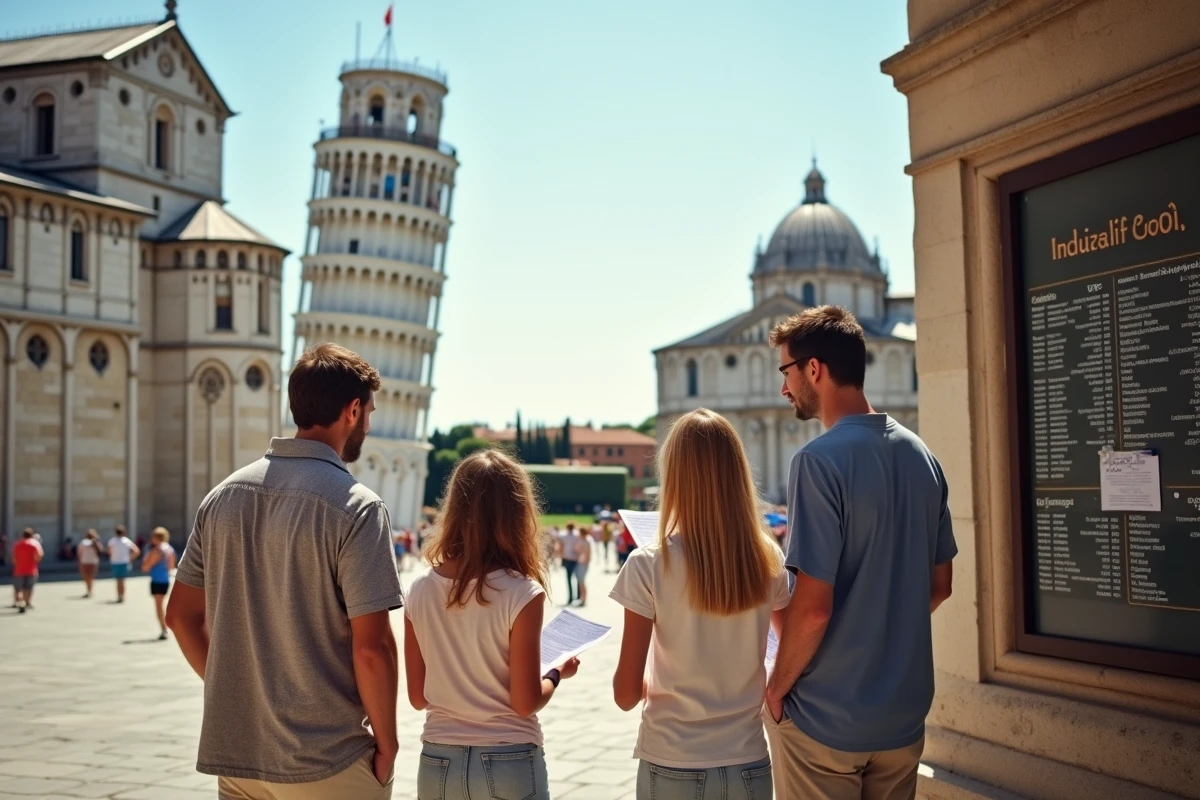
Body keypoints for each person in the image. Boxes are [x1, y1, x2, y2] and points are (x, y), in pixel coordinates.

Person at [166, 343, 403, 799]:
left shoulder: (222, 497)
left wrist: (242, 695)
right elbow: (372, 649)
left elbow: (179, 616)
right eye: (369, 412)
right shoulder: (356, 506)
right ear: (352, 410)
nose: (368, 425)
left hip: (240, 758)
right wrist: (388, 746)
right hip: (326, 759)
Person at [765, 306, 956, 800]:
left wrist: (776, 690)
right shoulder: (924, 457)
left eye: (785, 372)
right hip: (902, 719)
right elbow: (941, 586)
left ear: (813, 369)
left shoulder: (817, 461)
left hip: (827, 720)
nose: (783, 388)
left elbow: (813, 608)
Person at [611, 409, 791, 800]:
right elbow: (792, 647)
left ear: (674, 476)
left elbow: (625, 695)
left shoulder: (648, 563)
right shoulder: (768, 558)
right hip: (748, 761)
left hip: (672, 761)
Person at [404, 449, 578, 800]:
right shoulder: (521, 592)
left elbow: (417, 697)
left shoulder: (419, 589)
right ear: (518, 513)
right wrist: (556, 673)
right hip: (508, 757)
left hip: (439, 760)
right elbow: (525, 702)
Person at [141, 527, 176, 640]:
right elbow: (171, 566)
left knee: (159, 606)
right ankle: (165, 628)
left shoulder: (156, 550)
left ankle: (164, 629)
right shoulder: (169, 549)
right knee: (162, 604)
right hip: (165, 579)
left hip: (156, 579)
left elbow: (146, 567)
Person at [12, 528, 44, 613]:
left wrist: (17, 563)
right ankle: (27, 602)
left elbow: (13, 558)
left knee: (18, 588)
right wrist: (34, 562)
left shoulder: (17, 544)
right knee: (28, 588)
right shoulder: (34, 544)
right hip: (31, 569)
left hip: (19, 569)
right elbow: (39, 555)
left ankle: (19, 602)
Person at [107, 525, 140, 603]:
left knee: (118, 580)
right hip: (124, 562)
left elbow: (109, 551)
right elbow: (136, 551)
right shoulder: (126, 541)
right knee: (122, 580)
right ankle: (122, 595)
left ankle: (119, 595)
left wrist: (113, 556)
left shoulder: (112, 541)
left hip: (115, 562)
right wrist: (130, 558)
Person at [556, 522, 583, 605]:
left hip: (567, 558)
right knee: (578, 577)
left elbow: (560, 547)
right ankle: (578, 595)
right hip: (575, 558)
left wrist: (560, 557)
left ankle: (570, 597)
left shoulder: (563, 536)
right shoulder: (577, 536)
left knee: (568, 579)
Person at [77, 529, 103, 598]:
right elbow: (101, 551)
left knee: (86, 577)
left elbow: (79, 553)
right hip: (93, 562)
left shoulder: (83, 542)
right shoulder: (96, 542)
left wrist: (79, 561)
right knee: (91, 577)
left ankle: (88, 590)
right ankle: (90, 590)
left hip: (84, 561)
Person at [575, 525, 592, 607]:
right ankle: (583, 599)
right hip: (582, 562)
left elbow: (586, 554)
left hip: (583, 563)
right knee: (581, 582)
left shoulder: (586, 541)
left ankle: (584, 599)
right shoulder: (585, 540)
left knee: (582, 582)